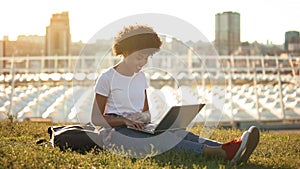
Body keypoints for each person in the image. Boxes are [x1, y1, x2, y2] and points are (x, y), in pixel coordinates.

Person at [91, 24, 259, 164]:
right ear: (125, 52)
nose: (143, 63)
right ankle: (224, 153)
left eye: (146, 58)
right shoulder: (107, 77)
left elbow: (146, 113)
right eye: (139, 58)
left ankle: (230, 147)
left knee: (179, 133)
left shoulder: (141, 77)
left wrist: (144, 119)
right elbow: (96, 119)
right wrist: (124, 120)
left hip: (137, 128)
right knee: (162, 141)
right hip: (113, 134)